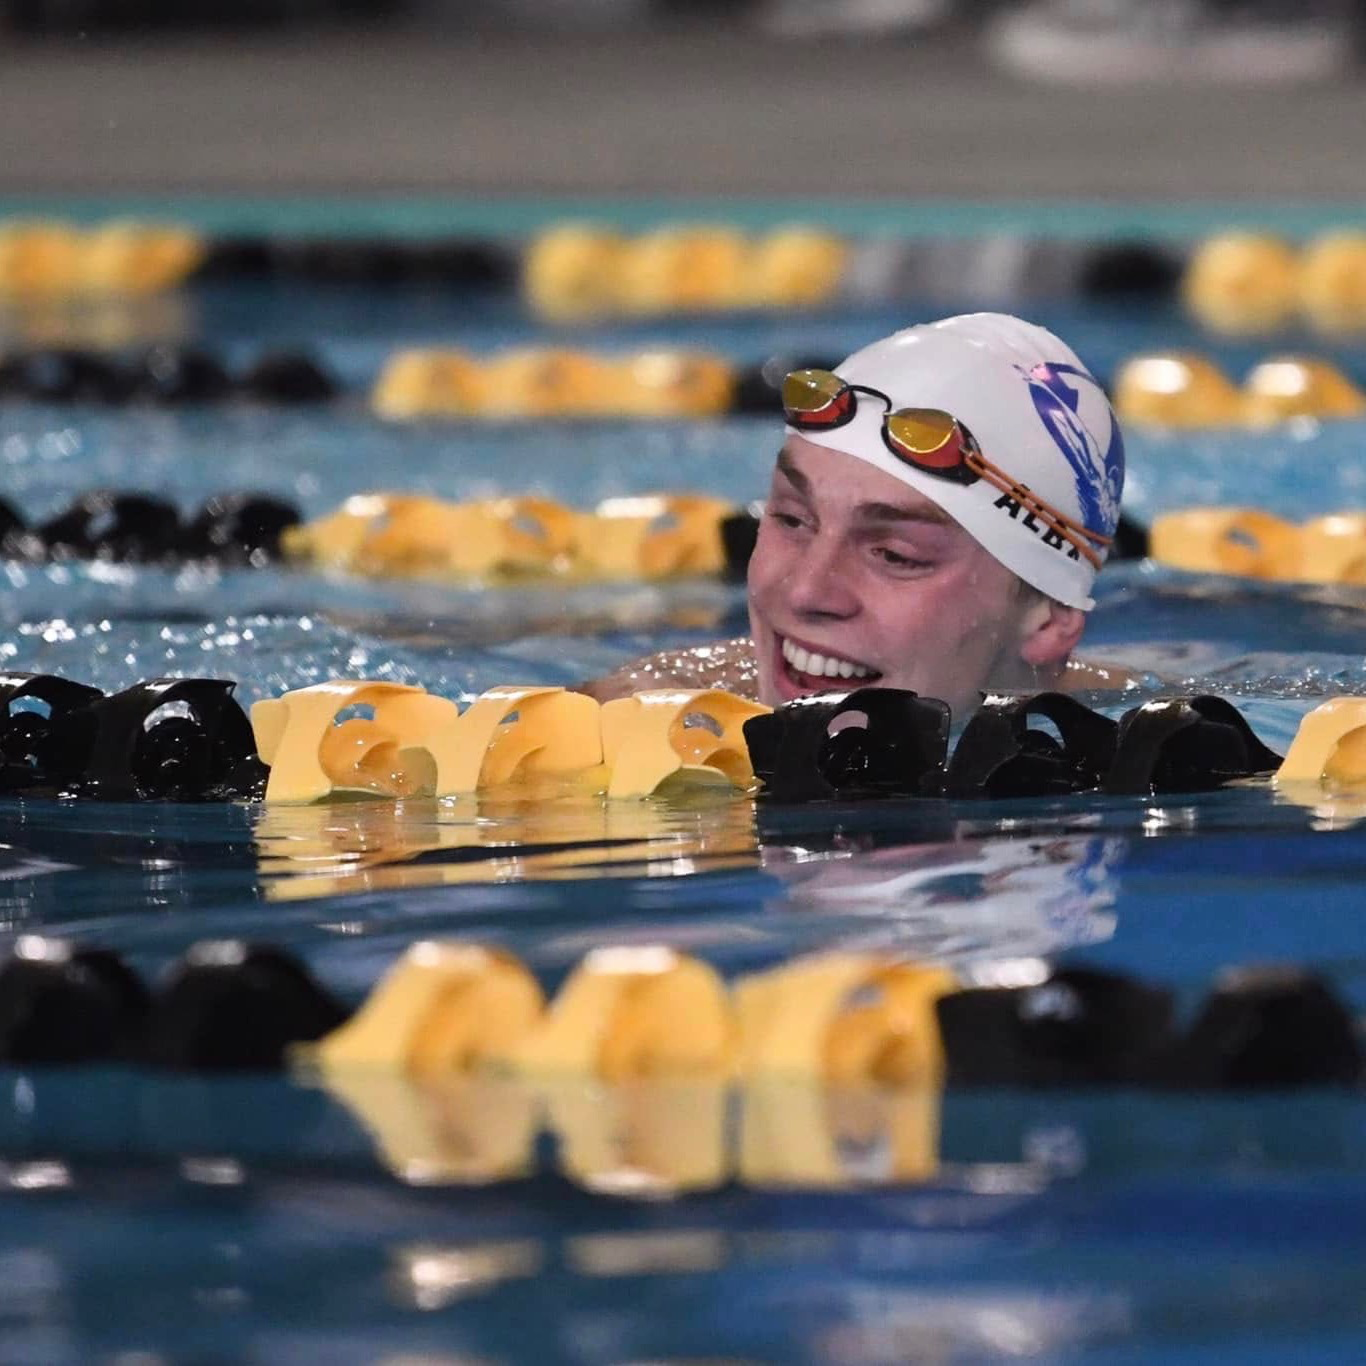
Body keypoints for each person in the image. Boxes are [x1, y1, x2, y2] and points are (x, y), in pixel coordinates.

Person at [582, 312, 1129, 721]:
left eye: (895, 555)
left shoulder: (1163, 756)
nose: (805, 593)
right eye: (792, 520)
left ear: (1050, 619)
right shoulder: (639, 716)